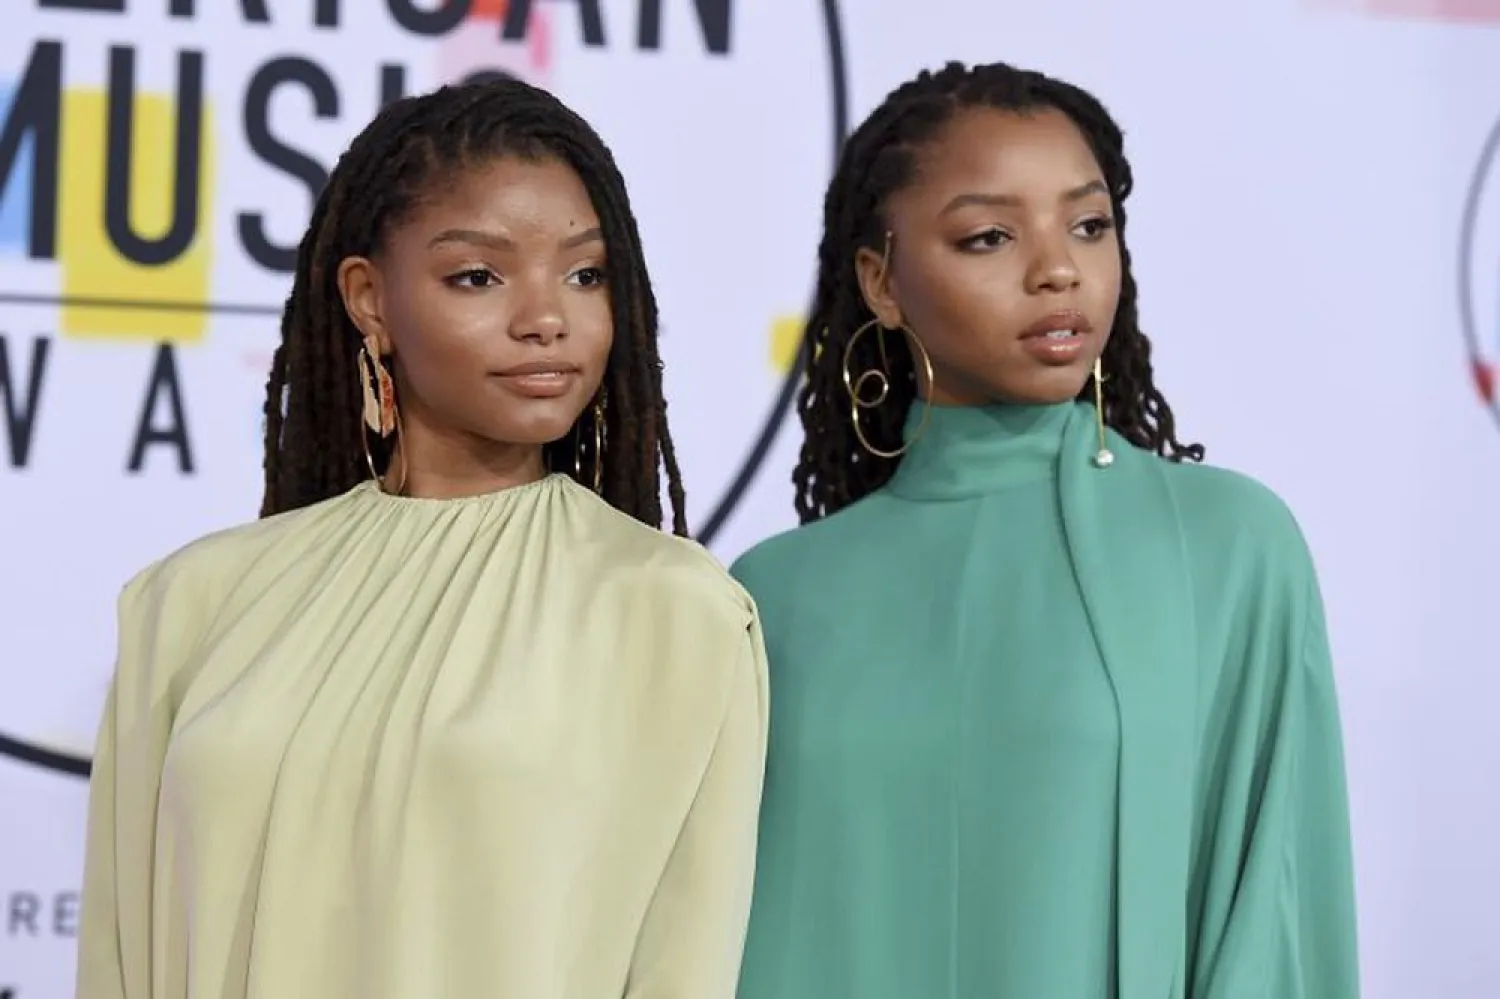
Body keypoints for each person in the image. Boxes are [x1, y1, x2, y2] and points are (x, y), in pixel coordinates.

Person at [74, 78, 769, 999]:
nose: (546, 318)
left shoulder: (673, 609)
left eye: (585, 273)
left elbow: (687, 962)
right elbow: (121, 955)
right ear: (369, 299)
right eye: (478, 275)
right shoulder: (192, 600)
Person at [731, 61, 1360, 999]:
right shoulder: (773, 595)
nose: (1059, 267)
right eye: (989, 235)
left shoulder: (1227, 547)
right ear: (882, 282)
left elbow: (1275, 922)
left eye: (1090, 225)